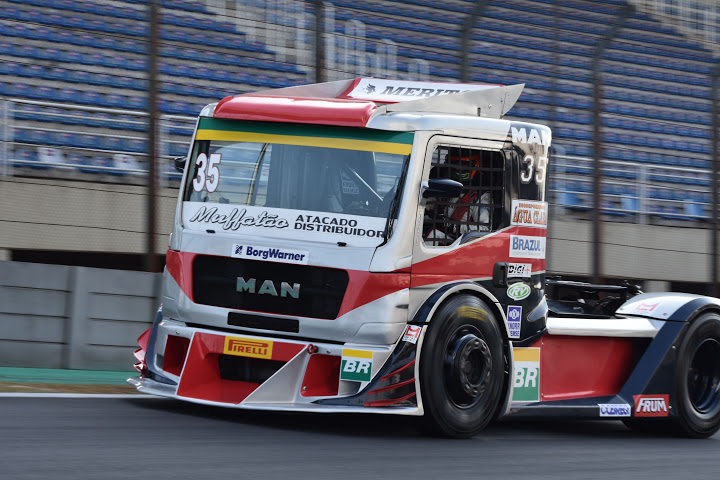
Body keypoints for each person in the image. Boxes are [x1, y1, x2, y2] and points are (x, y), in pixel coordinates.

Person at [424, 149, 491, 245]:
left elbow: (485, 229)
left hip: (461, 244)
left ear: (475, 165)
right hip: (443, 235)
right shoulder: (446, 187)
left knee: (433, 235)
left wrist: (456, 227)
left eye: (463, 165)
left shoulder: (482, 197)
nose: (457, 168)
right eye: (454, 163)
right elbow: (431, 202)